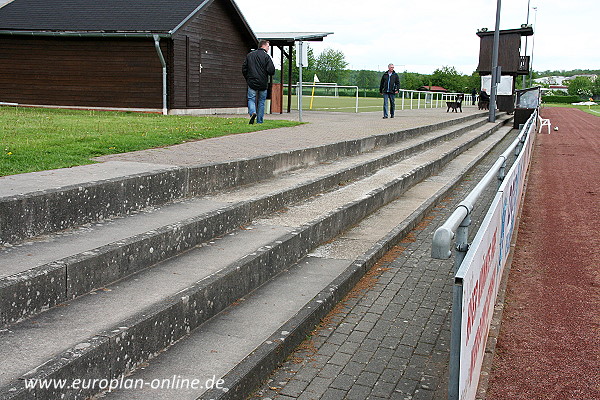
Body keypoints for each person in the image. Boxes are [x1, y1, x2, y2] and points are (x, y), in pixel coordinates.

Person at [242, 40, 275, 124]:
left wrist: (248, 78)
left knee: (251, 99)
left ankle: (253, 112)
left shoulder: (250, 55)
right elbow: (271, 70)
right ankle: (260, 121)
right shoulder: (266, 57)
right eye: (268, 46)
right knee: (261, 102)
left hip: (252, 82)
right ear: (263, 46)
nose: (268, 48)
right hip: (263, 83)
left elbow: (244, 69)